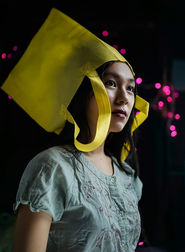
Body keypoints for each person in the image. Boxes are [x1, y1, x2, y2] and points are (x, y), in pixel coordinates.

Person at [1, 8, 149, 252]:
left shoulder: (128, 176)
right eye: (111, 83)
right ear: (83, 91)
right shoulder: (52, 167)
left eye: (131, 88)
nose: (124, 98)